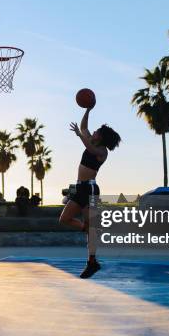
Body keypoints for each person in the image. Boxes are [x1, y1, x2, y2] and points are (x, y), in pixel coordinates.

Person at [60, 107, 121, 278]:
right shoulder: (91, 141)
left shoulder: (102, 152)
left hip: (91, 189)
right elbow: (84, 127)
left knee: (91, 227)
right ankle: (89, 230)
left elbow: (90, 148)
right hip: (79, 188)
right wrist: (88, 109)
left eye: (96, 132)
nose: (92, 132)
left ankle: (92, 262)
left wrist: (80, 135)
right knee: (64, 219)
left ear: (100, 137)